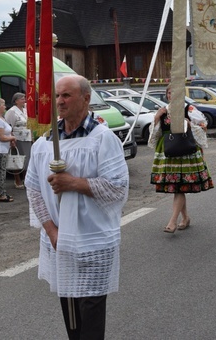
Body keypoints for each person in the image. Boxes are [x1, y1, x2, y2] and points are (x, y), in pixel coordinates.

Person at [25, 75, 128, 340]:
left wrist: (73, 183)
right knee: (69, 308)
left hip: (92, 241)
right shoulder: (45, 142)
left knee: (91, 309)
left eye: (67, 95)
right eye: (57, 95)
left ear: (86, 98)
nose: (60, 101)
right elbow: (34, 190)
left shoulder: (102, 139)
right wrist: (51, 231)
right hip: (58, 240)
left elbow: (117, 188)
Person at [148, 86, 213, 233]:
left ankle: (173, 222)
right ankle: (185, 218)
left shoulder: (188, 109)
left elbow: (203, 126)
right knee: (178, 186)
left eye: (175, 92)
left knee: (179, 186)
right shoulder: (163, 110)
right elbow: (155, 134)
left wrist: (189, 124)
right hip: (169, 152)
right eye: (169, 93)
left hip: (185, 153)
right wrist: (157, 117)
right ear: (167, 95)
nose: (172, 95)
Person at [4, 92, 32, 189]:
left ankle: (26, 179)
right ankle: (17, 180)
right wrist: (11, 139)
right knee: (17, 158)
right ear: (16, 101)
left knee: (27, 159)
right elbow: (8, 126)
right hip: (17, 138)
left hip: (27, 136)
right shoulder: (12, 111)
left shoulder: (24, 110)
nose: (24, 100)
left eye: (24, 98)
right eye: (22, 98)